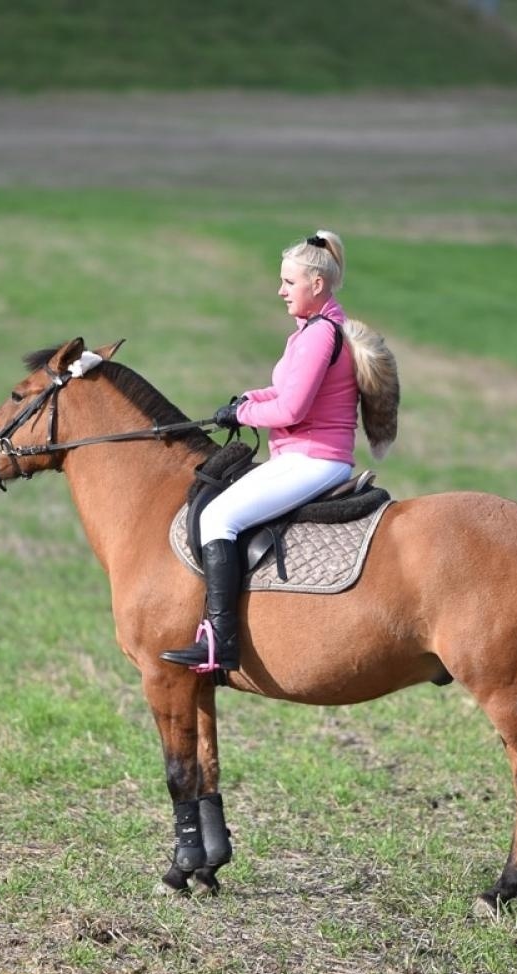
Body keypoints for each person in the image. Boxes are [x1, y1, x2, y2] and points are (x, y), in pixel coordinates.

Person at [161, 230, 361, 674]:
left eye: (289, 283)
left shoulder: (318, 335)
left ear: (316, 284)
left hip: (313, 458)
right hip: (305, 454)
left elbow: (292, 407)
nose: (280, 291)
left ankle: (221, 641)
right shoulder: (316, 329)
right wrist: (244, 402)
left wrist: (245, 415)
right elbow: (284, 388)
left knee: (217, 518)